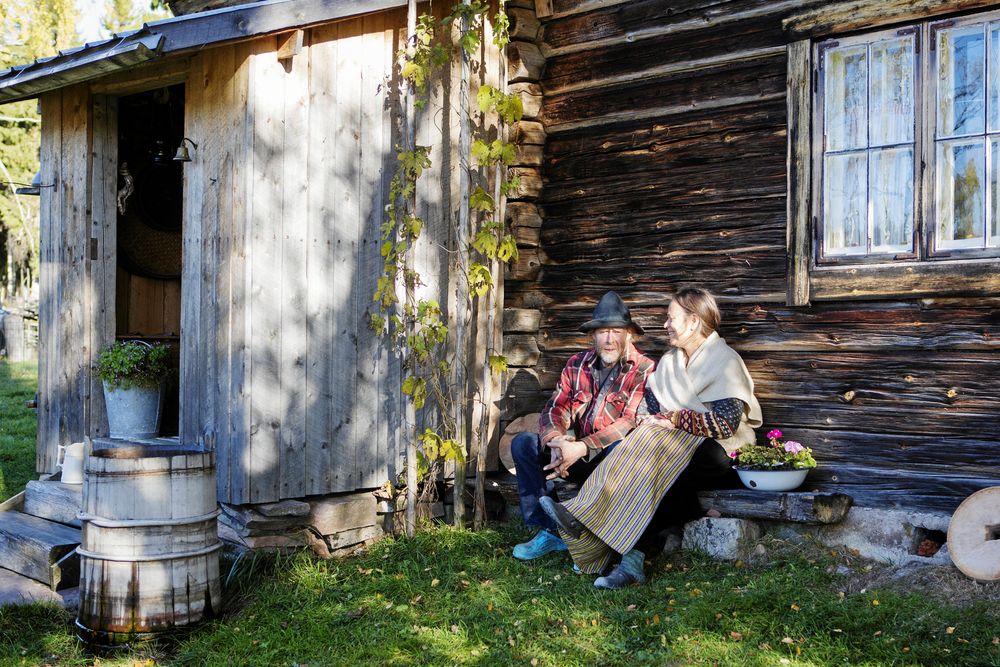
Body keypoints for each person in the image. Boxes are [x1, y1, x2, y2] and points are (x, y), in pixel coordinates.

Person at [539, 286, 762, 588]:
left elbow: (724, 424)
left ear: (694, 322)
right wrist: (659, 421)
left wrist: (674, 418)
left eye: (671, 318)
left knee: (651, 449)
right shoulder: (670, 362)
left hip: (719, 453)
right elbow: (650, 411)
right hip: (672, 451)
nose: (666, 325)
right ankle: (628, 559)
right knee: (646, 452)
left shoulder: (724, 360)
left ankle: (587, 524)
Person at [511, 291, 655, 560]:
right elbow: (556, 407)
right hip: (571, 455)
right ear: (593, 335)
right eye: (602, 332)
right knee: (523, 444)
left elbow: (630, 422)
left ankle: (598, 537)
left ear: (629, 335)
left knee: (620, 450)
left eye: (616, 331)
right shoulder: (577, 364)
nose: (609, 339)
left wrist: (582, 447)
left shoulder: (645, 369)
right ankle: (549, 530)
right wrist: (556, 440)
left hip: (611, 464)